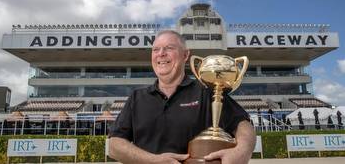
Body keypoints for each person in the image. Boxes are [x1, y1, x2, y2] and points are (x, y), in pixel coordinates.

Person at [109, 30, 256, 164]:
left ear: (185, 55)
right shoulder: (137, 97)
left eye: (169, 48)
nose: (161, 54)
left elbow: (244, 125)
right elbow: (114, 145)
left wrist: (241, 152)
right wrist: (153, 161)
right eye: (155, 49)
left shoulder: (207, 92)